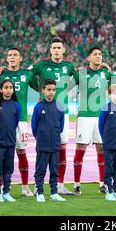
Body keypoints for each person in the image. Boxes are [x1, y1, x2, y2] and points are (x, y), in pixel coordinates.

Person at [0, 47, 39, 197]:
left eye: (15, 55)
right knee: (2, 154)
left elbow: (41, 87)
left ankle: (24, 187)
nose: (12, 57)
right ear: (7, 58)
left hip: (21, 120)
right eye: (9, 55)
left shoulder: (27, 74)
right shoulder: (1, 73)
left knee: (21, 153)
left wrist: (42, 95)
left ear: (20, 58)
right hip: (2, 120)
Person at [28, 37, 75, 195]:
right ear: (50, 50)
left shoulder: (69, 66)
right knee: (41, 151)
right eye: (54, 48)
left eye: (59, 48)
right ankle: (38, 185)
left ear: (63, 50)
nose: (56, 50)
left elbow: (80, 79)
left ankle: (60, 184)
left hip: (63, 111)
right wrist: (40, 90)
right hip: (45, 109)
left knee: (61, 149)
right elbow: (27, 76)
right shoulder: (41, 64)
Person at [70, 46, 116, 195]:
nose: (98, 56)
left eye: (100, 54)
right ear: (88, 58)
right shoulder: (81, 74)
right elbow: (66, 86)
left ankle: (103, 183)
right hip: (85, 116)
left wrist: (110, 71)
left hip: (101, 117)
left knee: (102, 150)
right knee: (80, 150)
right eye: (95, 54)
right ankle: (76, 184)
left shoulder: (105, 73)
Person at [32, 79, 66, 202]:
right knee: (40, 169)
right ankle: (40, 192)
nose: (51, 92)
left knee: (54, 170)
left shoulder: (60, 106)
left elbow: (61, 126)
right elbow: (34, 127)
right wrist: (41, 137)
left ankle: (53, 193)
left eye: (53, 90)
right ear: (43, 91)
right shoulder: (38, 107)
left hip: (55, 144)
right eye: (49, 90)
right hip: (43, 144)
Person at [0, 79, 20, 202]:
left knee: (8, 168)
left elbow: (15, 123)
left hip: (10, 143)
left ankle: (6, 191)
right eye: (6, 87)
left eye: (10, 87)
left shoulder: (16, 105)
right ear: (1, 90)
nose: (8, 90)